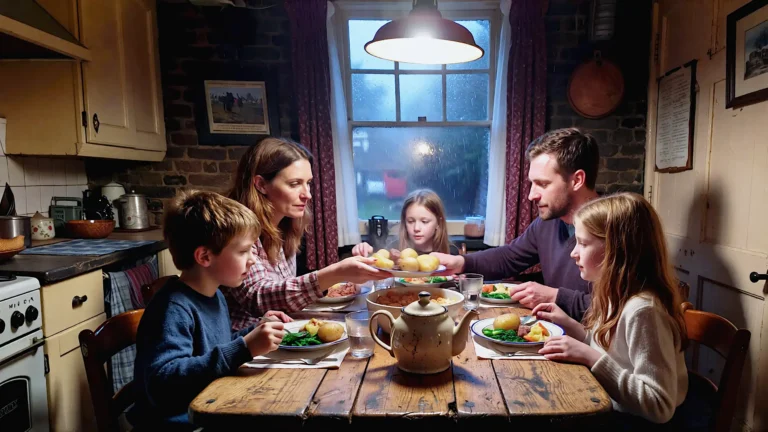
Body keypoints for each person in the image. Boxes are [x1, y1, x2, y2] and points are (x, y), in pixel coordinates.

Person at [130, 190, 289, 431]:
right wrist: (245, 348)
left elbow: (212, 348)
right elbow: (163, 382)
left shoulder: (214, 294)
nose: (252, 260)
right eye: (243, 251)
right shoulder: (172, 308)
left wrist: (253, 331)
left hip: (212, 410)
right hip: (179, 424)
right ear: (205, 256)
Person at [532, 192, 688, 426]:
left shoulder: (643, 311)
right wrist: (570, 326)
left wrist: (589, 357)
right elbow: (613, 353)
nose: (574, 252)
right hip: (615, 407)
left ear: (618, 250)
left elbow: (659, 405)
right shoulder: (614, 294)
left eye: (583, 243)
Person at [431, 128, 599, 320]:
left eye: (543, 184)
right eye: (532, 184)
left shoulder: (619, 228)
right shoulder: (548, 224)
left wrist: (555, 296)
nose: (531, 195)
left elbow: (624, 309)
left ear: (577, 180)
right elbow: (509, 257)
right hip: (556, 335)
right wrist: (462, 263)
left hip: (594, 345)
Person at [226, 137, 388, 330]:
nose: (307, 194)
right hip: (244, 345)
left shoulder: (285, 225)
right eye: (294, 183)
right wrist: (335, 273)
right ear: (261, 184)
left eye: (308, 183)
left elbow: (283, 294)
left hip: (278, 335)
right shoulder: (237, 228)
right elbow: (259, 298)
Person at [351, 189, 460, 259]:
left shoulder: (451, 252)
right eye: (411, 221)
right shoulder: (394, 248)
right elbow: (377, 268)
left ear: (438, 223)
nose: (416, 228)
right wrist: (364, 252)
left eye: (424, 222)